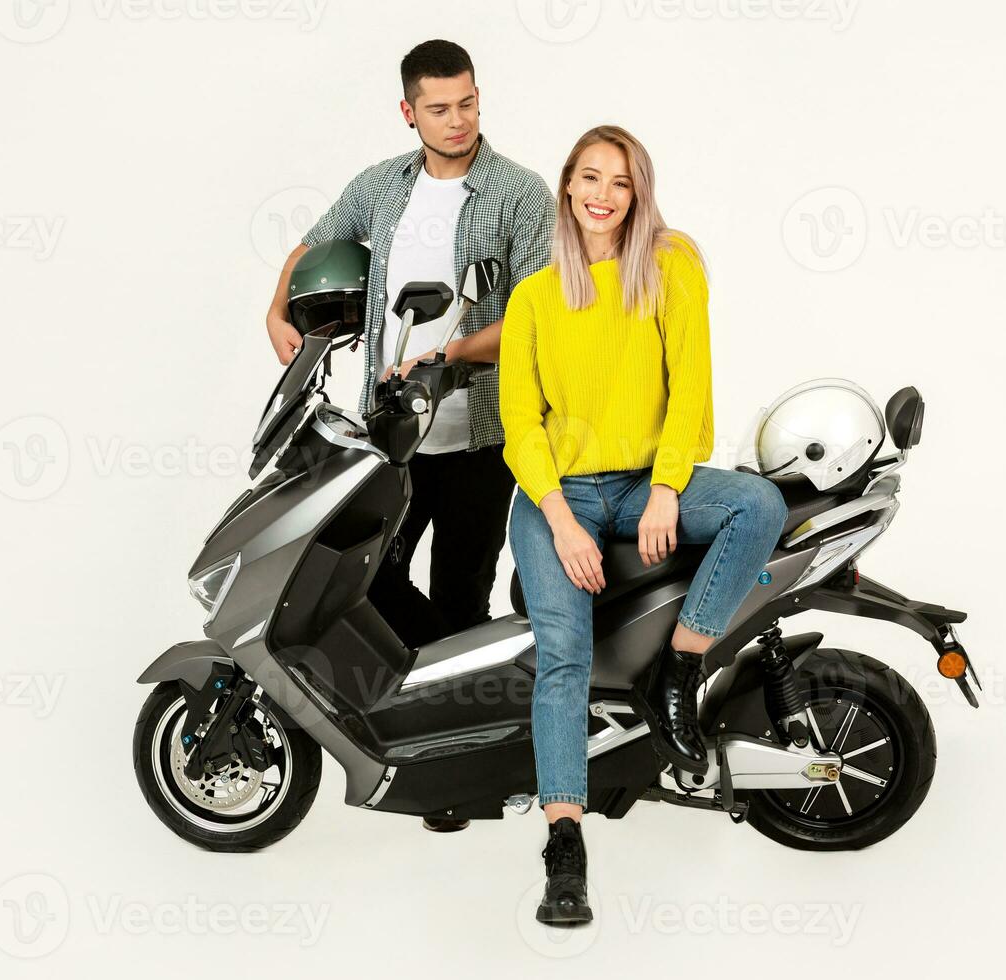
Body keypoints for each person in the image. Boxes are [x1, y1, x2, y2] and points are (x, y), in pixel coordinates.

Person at [499, 125, 789, 924]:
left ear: (637, 195)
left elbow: (690, 383)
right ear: (566, 187)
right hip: (557, 495)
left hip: (640, 484)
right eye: (589, 178)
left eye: (619, 183)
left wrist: (666, 490)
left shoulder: (668, 266)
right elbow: (520, 421)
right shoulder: (533, 296)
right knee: (562, 659)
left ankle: (680, 668)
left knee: (757, 504)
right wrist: (559, 520)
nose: (602, 194)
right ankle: (566, 844)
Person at [263, 40, 554, 833]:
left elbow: (532, 320)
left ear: (478, 100)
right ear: (408, 112)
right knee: (362, 578)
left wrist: (453, 357)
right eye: (438, 108)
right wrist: (276, 309)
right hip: (391, 434)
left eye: (467, 103)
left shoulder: (519, 194)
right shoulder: (381, 189)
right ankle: (441, 700)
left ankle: (458, 776)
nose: (457, 121)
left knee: (463, 588)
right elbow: (314, 244)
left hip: (485, 435)